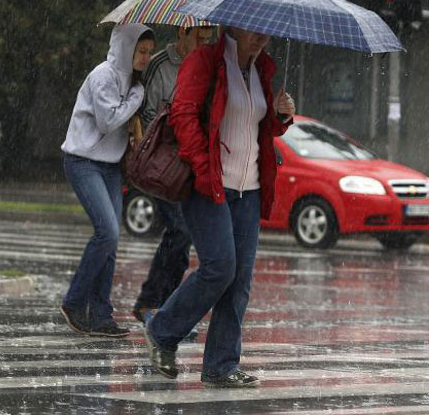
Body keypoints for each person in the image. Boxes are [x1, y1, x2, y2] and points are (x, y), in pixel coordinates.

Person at [144, 27, 295, 387]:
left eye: (266, 33)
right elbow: (183, 116)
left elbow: (259, 129)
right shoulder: (205, 61)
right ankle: (163, 330)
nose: (261, 37)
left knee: (239, 279)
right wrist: (203, 167)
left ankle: (221, 365)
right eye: (254, 30)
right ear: (235, 26)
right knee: (220, 267)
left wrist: (280, 117)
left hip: (249, 189)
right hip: (209, 184)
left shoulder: (260, 70)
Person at [60, 23, 155, 337]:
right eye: (141, 51)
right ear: (126, 48)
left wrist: (136, 95)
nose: (145, 58)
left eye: (149, 52)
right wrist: (136, 98)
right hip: (83, 161)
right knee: (107, 232)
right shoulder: (103, 75)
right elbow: (108, 120)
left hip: (111, 166)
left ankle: (101, 315)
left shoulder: (133, 81)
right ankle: (74, 302)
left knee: (112, 240)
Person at [132, 26, 214, 329]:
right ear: (183, 33)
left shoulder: (207, 67)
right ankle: (152, 302)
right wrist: (175, 126)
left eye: (208, 40)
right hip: (162, 162)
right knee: (180, 230)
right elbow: (144, 113)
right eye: (199, 38)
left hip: (189, 162)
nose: (203, 44)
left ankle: (165, 307)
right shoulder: (160, 66)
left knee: (184, 236)